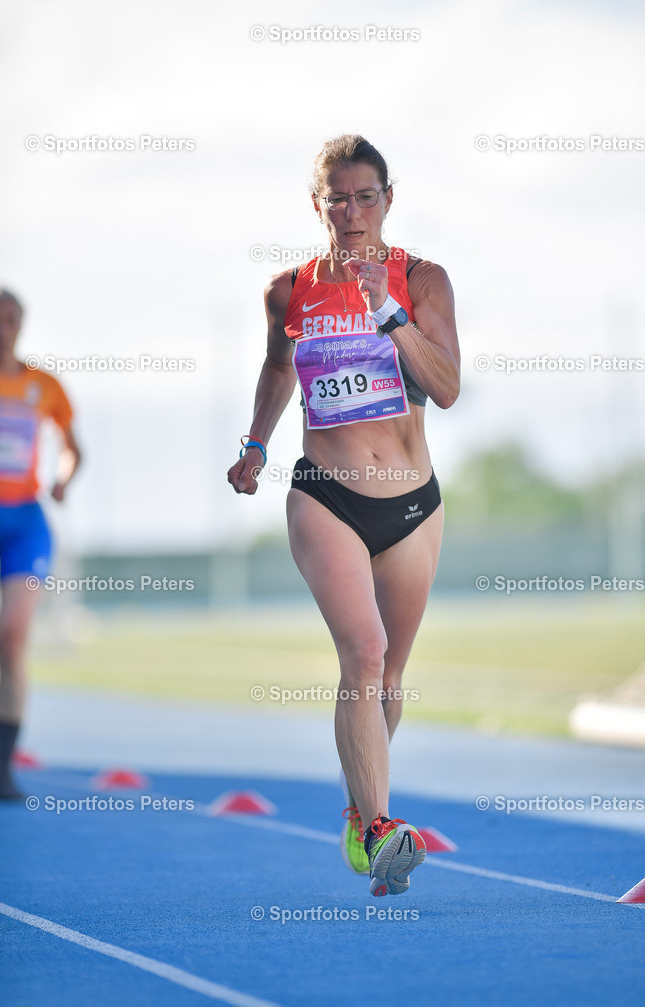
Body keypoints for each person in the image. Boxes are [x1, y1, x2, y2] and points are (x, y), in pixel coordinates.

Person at [227, 135, 460, 896]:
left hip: (413, 505)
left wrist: (388, 313)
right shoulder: (288, 289)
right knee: (361, 654)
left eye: (366, 197)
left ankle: (362, 819)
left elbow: (447, 386)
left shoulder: (421, 281)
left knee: (390, 672)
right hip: (324, 494)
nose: (352, 212)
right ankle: (385, 825)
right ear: (317, 203)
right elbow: (275, 364)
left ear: (388, 200)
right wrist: (255, 444)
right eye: (338, 198)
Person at [0, 288, 81, 800]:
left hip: (25, 520)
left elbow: (72, 449)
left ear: (20, 325)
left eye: (9, 320)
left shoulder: (43, 386)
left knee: (11, 640)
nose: (1, 328)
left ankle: (3, 770)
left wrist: (63, 478)